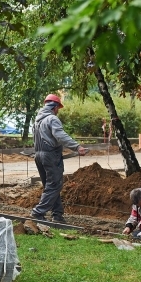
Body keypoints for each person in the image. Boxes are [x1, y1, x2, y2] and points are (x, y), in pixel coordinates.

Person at [30, 94, 88, 223]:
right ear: (54, 107)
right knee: (55, 185)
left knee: (50, 186)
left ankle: (57, 215)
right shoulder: (52, 119)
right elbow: (60, 136)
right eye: (58, 108)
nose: (58, 111)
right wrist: (77, 147)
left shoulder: (37, 120)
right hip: (51, 156)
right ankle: (38, 212)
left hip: (38, 156)